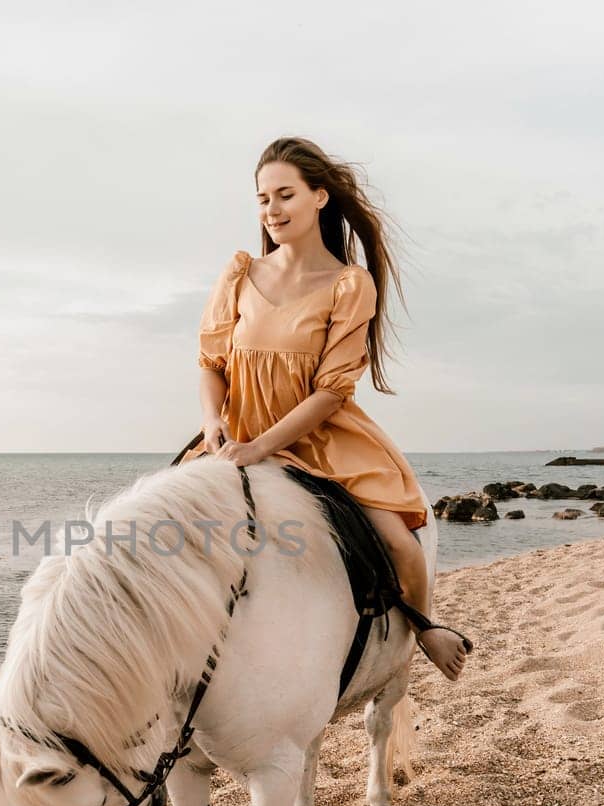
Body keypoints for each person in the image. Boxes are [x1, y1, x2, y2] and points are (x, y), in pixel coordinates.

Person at [176, 137, 472, 682]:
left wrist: (263, 447)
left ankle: (423, 629)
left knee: (400, 545)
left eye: (285, 195)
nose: (272, 210)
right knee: (155, 535)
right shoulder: (240, 273)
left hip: (319, 438)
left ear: (319, 197)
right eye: (263, 199)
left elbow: (331, 391)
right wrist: (213, 420)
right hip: (234, 435)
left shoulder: (348, 285)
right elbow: (210, 364)